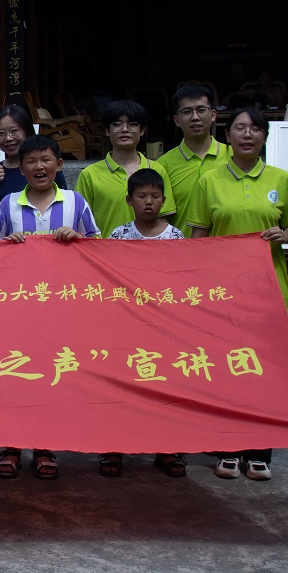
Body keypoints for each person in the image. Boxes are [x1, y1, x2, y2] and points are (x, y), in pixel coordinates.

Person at [190, 106, 288, 480]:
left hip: (267, 289)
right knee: (226, 369)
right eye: (240, 128)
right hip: (220, 292)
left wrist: (283, 234)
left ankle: (259, 452)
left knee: (262, 371)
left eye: (256, 129)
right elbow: (199, 237)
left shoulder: (281, 179)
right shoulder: (209, 181)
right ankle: (227, 448)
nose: (247, 134)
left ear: (265, 137)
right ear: (228, 135)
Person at [0, 134, 100, 480]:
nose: (39, 167)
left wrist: (78, 239)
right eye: (31, 162)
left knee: (50, 377)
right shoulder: (8, 204)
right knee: (14, 375)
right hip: (16, 310)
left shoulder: (75, 202)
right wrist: (7, 244)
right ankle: (11, 446)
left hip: (61, 309)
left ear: (59, 165)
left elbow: (98, 247)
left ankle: (44, 446)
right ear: (21, 169)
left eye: (46, 160)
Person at [102, 169, 187, 478]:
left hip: (164, 325)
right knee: (123, 386)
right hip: (127, 324)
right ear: (129, 200)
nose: (148, 202)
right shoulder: (118, 235)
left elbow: (182, 280)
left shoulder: (175, 237)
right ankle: (114, 448)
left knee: (165, 386)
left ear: (164, 200)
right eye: (141, 196)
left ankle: (167, 449)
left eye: (154, 196)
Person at [75, 100, 176, 237]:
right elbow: (81, 222)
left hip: (149, 248)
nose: (125, 129)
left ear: (142, 130)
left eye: (132, 124)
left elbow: (163, 218)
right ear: (107, 131)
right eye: (117, 124)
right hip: (106, 248)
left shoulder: (157, 170)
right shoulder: (90, 174)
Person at [157, 84, 231, 237]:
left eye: (201, 110)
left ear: (213, 115)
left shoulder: (233, 157)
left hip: (227, 247)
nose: (195, 117)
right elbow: (161, 220)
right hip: (183, 248)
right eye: (187, 112)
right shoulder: (163, 165)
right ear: (177, 120)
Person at [0, 103, 67, 205]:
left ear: (27, 130)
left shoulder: (47, 169)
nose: (8, 138)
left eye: (14, 131)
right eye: (1, 133)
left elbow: (63, 203)